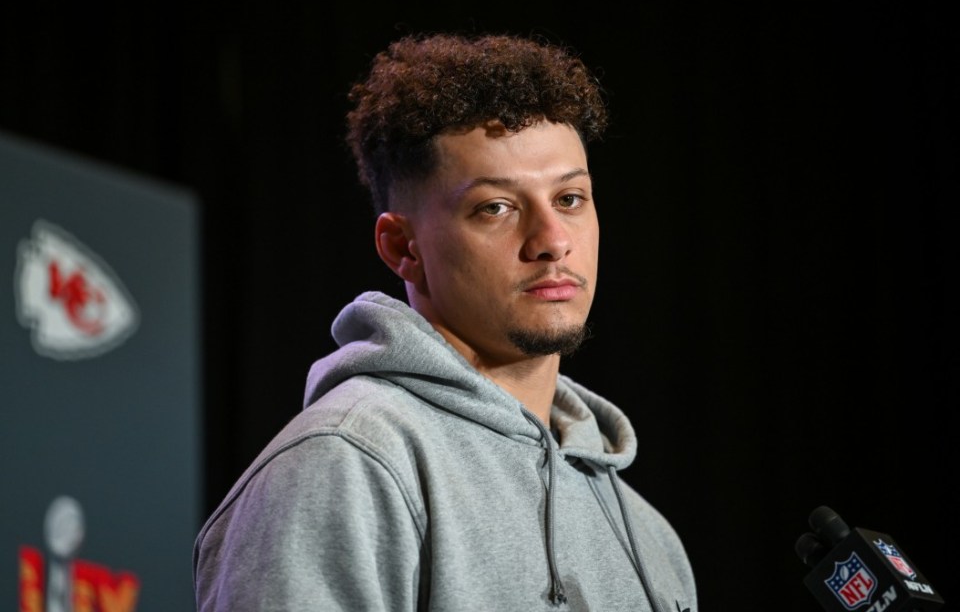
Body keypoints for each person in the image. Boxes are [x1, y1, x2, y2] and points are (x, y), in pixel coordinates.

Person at [193, 32, 697, 612]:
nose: (553, 242)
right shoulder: (345, 464)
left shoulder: (652, 541)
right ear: (402, 246)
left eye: (570, 199)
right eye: (496, 208)